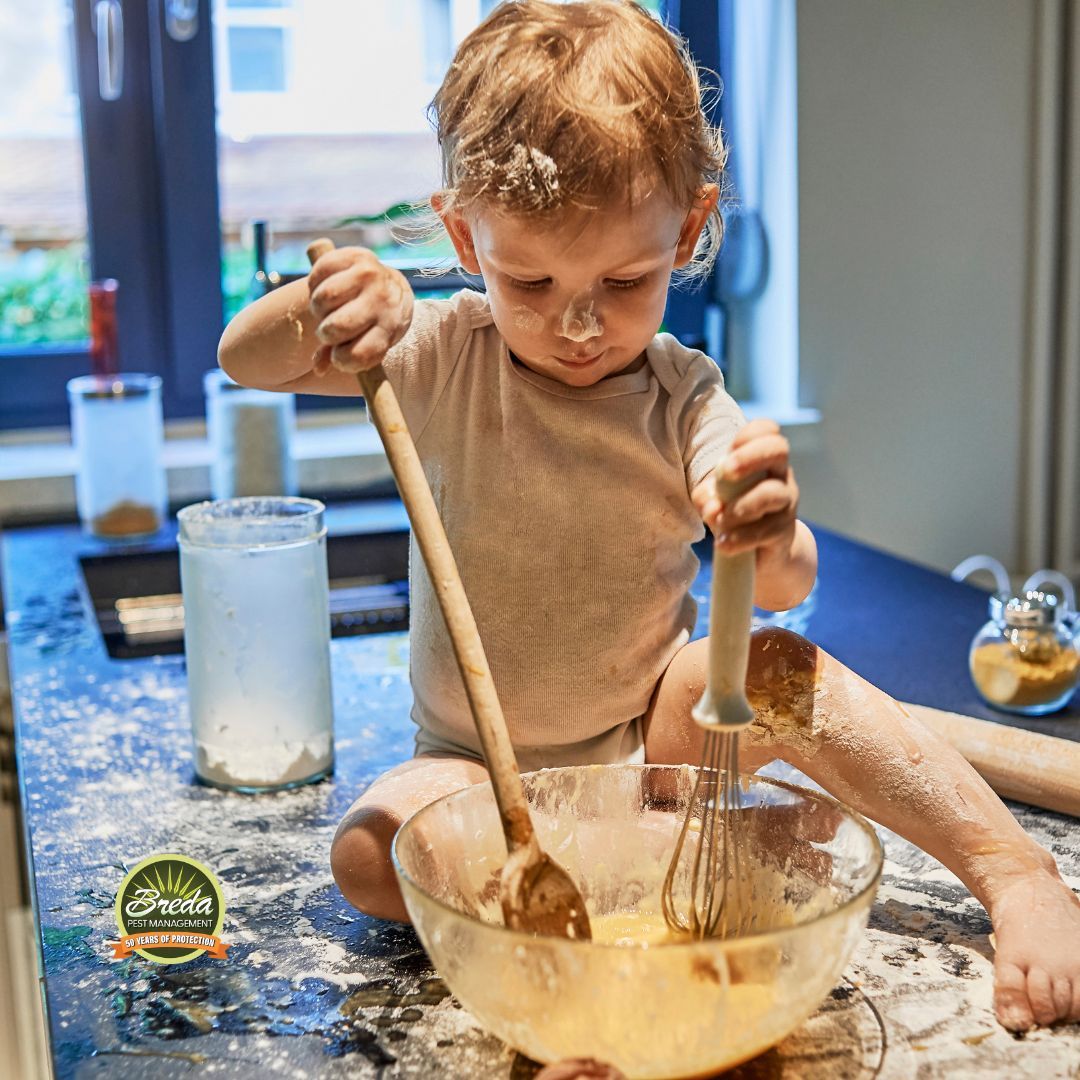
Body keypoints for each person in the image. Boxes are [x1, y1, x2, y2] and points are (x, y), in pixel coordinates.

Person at [219, 0, 1080, 1033]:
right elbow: (244, 357)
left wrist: (761, 528)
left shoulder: (683, 394)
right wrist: (335, 302)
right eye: (528, 279)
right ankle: (655, 872)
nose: (579, 323)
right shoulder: (438, 355)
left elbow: (785, 586)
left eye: (626, 281)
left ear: (693, 223)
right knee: (368, 855)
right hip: (478, 771)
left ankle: (1013, 870)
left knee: (772, 667)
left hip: (651, 751)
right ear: (461, 235)